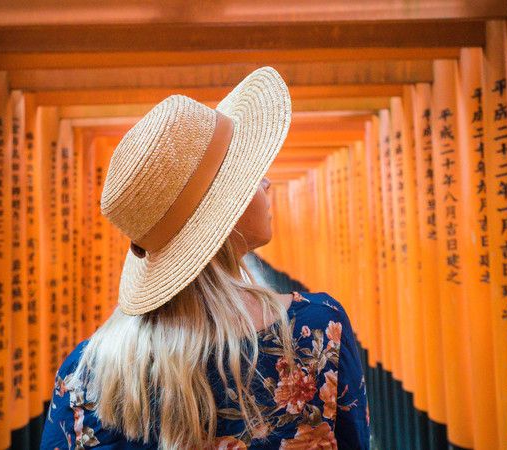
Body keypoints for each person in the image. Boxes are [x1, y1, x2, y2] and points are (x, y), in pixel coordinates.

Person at [40, 66, 369, 450]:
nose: (266, 181)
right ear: (222, 213)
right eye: (249, 173)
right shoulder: (316, 335)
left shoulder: (83, 376)